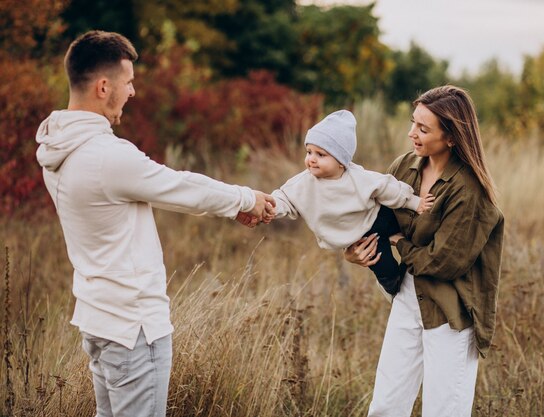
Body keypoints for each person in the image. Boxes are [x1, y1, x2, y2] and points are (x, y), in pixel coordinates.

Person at [35, 30, 274, 417]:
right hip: (133, 329)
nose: (132, 92)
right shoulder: (107, 156)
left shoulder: (56, 150)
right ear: (102, 86)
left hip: (99, 322)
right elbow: (180, 186)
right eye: (128, 83)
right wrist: (246, 199)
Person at [344, 86, 504, 417]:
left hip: (451, 312)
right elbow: (375, 221)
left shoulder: (469, 189)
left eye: (423, 128)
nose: (411, 133)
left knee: (444, 411)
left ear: (451, 138)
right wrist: (354, 250)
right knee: (386, 406)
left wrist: (401, 243)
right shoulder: (403, 168)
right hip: (408, 297)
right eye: (413, 122)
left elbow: (445, 262)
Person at [266, 110, 434, 297]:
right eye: (309, 152)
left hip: (378, 216)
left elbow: (387, 188)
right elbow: (284, 198)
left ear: (341, 162)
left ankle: (425, 252)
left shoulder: (357, 177)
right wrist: (270, 208)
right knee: (383, 266)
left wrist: (415, 202)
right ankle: (396, 288)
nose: (311, 159)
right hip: (363, 237)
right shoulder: (303, 184)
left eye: (321, 154)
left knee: (410, 227)